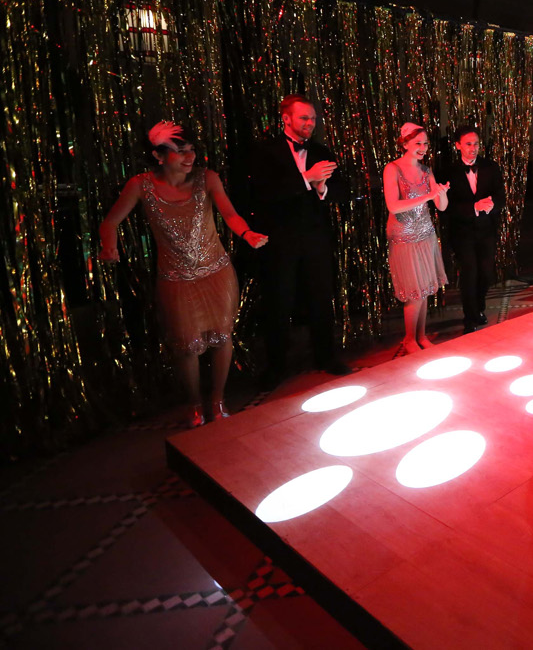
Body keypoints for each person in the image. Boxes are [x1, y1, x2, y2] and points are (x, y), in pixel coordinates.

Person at [99, 122, 269, 427]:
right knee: (186, 345)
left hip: (216, 272)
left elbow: (229, 213)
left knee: (221, 337)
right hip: (176, 279)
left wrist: (246, 233)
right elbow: (110, 222)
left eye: (191, 149)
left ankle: (217, 400)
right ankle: (194, 405)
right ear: (158, 155)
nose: (189, 156)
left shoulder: (208, 178)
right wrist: (109, 247)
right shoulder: (141, 185)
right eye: (179, 151)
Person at [249, 95, 352, 385]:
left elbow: (341, 191)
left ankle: (326, 356)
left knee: (321, 296)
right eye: (304, 118)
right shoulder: (265, 151)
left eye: (313, 118)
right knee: (279, 301)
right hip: (280, 239)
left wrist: (322, 189)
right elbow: (263, 193)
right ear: (286, 119)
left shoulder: (321, 150)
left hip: (316, 236)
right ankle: (276, 366)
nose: (310, 123)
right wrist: (307, 179)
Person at [384, 123, 450, 355]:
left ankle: (420, 336)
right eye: (418, 143)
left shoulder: (426, 170)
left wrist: (440, 194)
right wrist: (429, 196)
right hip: (404, 236)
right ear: (404, 144)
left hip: (425, 234)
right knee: (414, 291)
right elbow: (393, 206)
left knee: (423, 289)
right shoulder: (392, 169)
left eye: (425, 143)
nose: (423, 148)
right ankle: (409, 338)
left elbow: (441, 207)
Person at [441, 125, 506, 334]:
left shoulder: (491, 166)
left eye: (476, 144)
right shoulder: (447, 171)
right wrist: (473, 208)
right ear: (458, 145)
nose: (473, 148)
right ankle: (470, 318)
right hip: (463, 232)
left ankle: (479, 308)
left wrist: (492, 204)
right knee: (469, 274)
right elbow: (446, 207)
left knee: (486, 273)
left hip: (487, 229)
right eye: (468, 144)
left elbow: (501, 198)